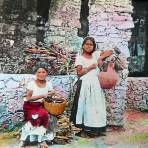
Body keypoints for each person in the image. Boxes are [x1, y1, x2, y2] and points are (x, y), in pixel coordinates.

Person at [70, 36, 106, 137]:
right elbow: (79, 73)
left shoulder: (96, 56)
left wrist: (102, 60)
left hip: (96, 84)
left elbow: (101, 66)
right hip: (85, 84)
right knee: (85, 106)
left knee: (95, 106)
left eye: (91, 44)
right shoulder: (80, 57)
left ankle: (96, 128)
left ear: (94, 46)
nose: (89, 46)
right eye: (87, 44)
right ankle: (85, 129)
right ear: (83, 45)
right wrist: (90, 67)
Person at [20, 66, 55, 148]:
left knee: (45, 114)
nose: (41, 74)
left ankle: (41, 140)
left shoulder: (49, 84)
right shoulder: (31, 84)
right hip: (30, 105)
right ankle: (23, 140)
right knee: (40, 115)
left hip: (41, 105)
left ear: (47, 73)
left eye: (43, 72)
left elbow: (50, 96)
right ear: (35, 73)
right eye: (39, 72)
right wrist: (43, 95)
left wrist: (52, 94)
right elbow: (28, 98)